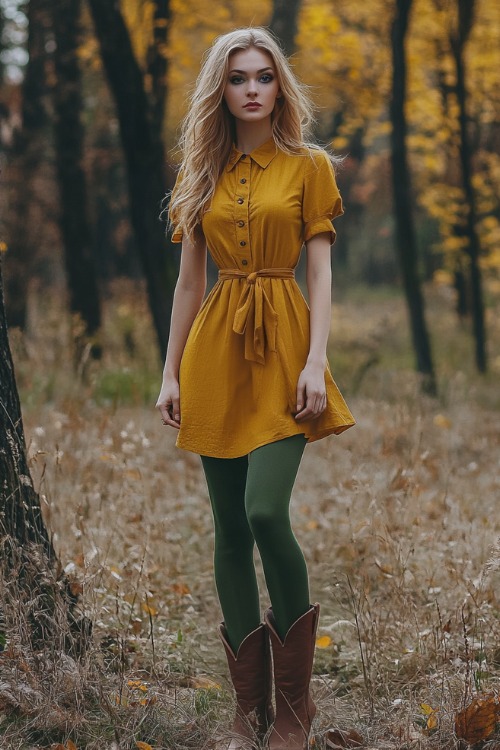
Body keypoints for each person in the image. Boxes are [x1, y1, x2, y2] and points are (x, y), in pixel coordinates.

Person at [156, 27, 355, 750]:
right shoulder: (201, 172)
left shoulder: (310, 167)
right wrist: (170, 371)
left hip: (283, 350)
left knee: (266, 511)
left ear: (279, 87)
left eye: (262, 77)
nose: (250, 88)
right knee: (229, 530)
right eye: (237, 77)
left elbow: (322, 273)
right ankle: (250, 713)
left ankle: (296, 709)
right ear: (222, 88)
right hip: (214, 353)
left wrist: (315, 362)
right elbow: (187, 283)